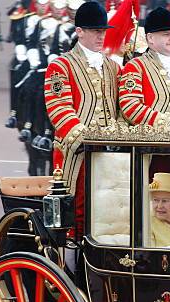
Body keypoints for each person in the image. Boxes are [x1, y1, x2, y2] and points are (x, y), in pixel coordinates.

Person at [44, 1, 120, 238]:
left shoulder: (113, 67)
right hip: (74, 155)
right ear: (79, 32)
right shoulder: (61, 65)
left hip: (108, 155)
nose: (101, 37)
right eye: (96, 31)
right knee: (76, 215)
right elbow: (59, 109)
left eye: (103, 32)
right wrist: (85, 140)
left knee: (109, 212)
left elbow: (120, 110)